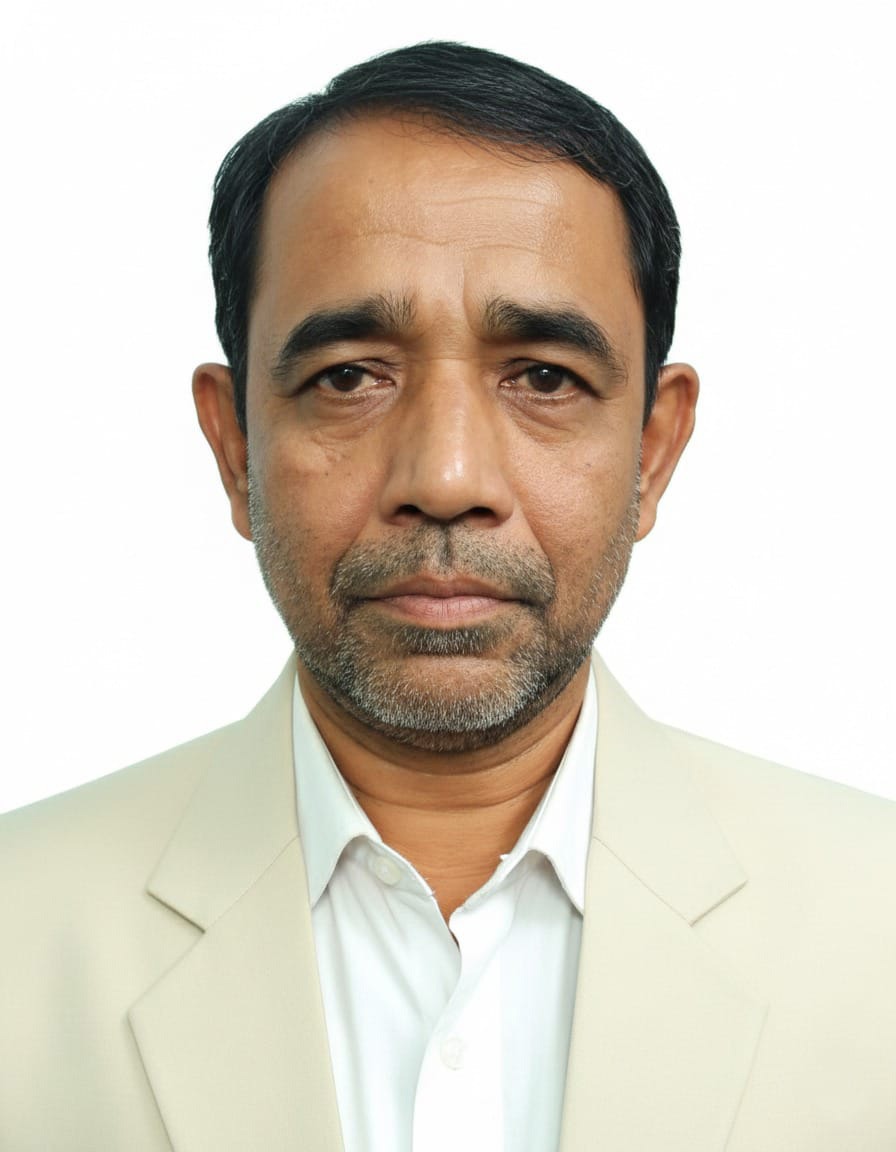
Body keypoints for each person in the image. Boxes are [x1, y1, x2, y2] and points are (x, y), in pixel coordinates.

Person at [1, 40, 894, 1152]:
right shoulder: (18, 932)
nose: (447, 477)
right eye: (348, 376)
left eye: (544, 378)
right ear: (234, 448)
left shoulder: (877, 929)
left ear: (652, 452)